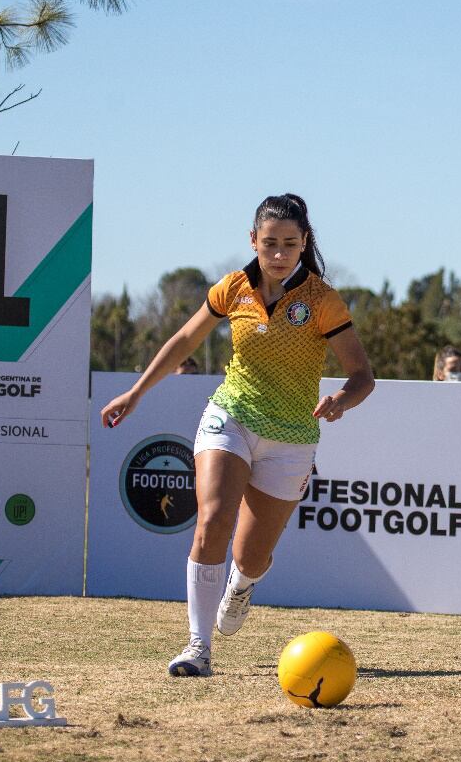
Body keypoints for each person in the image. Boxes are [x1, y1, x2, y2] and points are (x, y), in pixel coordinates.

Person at [100, 193, 374, 678]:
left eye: (290, 244)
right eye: (269, 243)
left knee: (251, 555)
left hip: (292, 435)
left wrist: (341, 401)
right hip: (231, 415)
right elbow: (185, 339)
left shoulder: (322, 300)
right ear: (253, 240)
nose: (278, 253)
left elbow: (362, 375)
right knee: (212, 520)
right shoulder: (233, 288)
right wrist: (136, 393)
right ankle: (197, 648)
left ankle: (241, 586)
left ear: (303, 243)